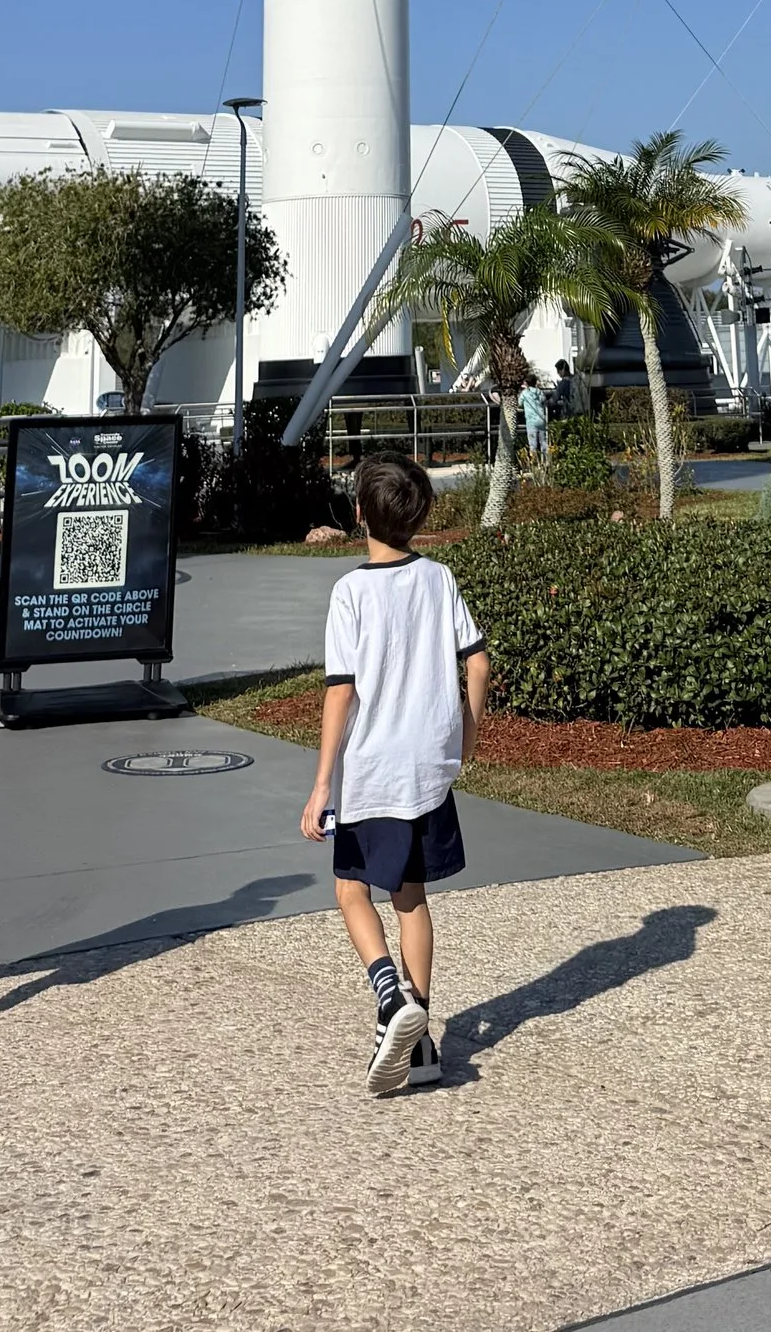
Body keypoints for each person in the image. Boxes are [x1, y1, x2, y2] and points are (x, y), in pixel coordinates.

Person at [299, 453, 490, 1097]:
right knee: (411, 900)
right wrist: (465, 734)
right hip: (428, 769)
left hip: (375, 770)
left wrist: (323, 783)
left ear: (358, 516)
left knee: (352, 890)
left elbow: (341, 692)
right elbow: (478, 662)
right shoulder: (439, 578)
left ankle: (388, 1001)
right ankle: (425, 1043)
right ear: (419, 517)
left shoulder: (350, 591)